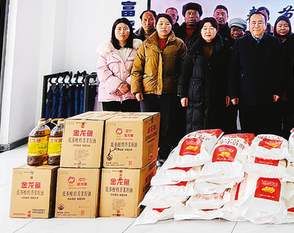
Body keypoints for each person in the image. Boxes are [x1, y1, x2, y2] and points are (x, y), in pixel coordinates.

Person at [131, 13, 186, 160]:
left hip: (169, 91)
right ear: (155, 26)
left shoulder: (178, 44)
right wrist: (137, 90)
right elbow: (136, 69)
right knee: (148, 125)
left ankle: (164, 155)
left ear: (171, 26)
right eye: (160, 23)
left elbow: (183, 70)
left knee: (167, 125)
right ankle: (148, 155)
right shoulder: (146, 44)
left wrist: (181, 90)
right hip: (148, 92)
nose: (164, 27)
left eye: (167, 24)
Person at [228, 12, 282, 135]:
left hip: (268, 97)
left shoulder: (274, 42)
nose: (256, 25)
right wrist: (233, 94)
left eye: (260, 22)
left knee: (267, 134)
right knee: (248, 134)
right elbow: (233, 71)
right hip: (246, 97)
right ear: (249, 25)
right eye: (253, 22)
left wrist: (277, 91)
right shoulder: (240, 43)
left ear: (265, 25)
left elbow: (279, 69)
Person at [178, 17, 233, 133]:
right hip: (196, 94)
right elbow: (185, 71)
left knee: (216, 127)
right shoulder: (194, 47)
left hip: (218, 93)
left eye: (211, 28)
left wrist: (229, 92)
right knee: (197, 127)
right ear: (200, 31)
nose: (208, 31)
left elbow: (229, 72)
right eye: (205, 28)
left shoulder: (224, 47)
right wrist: (182, 94)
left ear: (216, 30)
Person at [96, 18, 142, 112]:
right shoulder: (106, 49)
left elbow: (139, 69)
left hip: (130, 94)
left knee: (130, 121)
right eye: (119, 28)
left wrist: (127, 84)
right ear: (114, 31)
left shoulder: (137, 49)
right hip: (110, 95)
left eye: (125, 28)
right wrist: (119, 86)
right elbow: (102, 71)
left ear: (130, 31)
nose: (122, 32)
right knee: (111, 121)